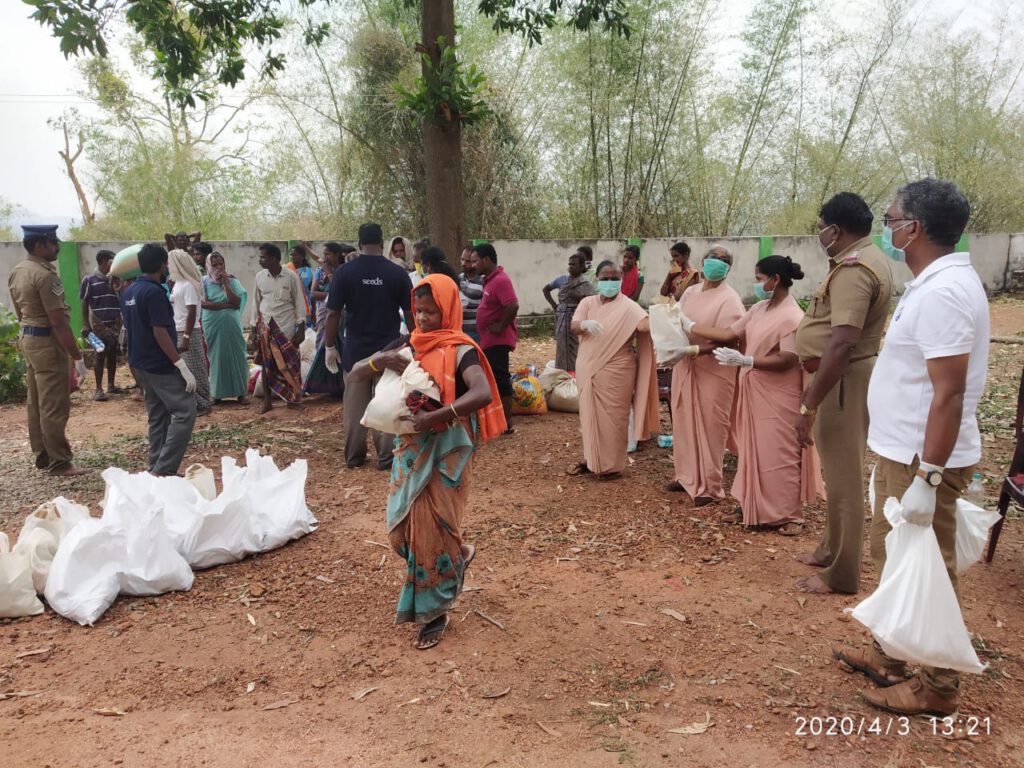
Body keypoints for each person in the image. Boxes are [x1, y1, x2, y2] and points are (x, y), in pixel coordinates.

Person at [833, 178, 987, 716]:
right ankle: (891, 656)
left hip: (924, 460)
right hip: (904, 452)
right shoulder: (930, 283)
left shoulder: (944, 292)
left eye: (891, 217)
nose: (887, 223)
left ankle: (939, 688)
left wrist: (929, 477)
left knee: (929, 568)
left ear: (913, 228)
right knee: (895, 557)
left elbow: (948, 393)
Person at [347, 275, 506, 649]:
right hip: (411, 449)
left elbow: (481, 392)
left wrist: (437, 416)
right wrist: (379, 359)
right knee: (400, 532)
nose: (424, 318)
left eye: (431, 311)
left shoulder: (460, 348)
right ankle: (460, 555)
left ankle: (434, 611)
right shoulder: (409, 344)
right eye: (418, 310)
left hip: (446, 451)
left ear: (448, 309)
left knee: (432, 530)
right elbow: (355, 374)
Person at [793, 192, 894, 595]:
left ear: (835, 230)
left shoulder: (855, 268)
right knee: (837, 476)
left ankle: (843, 573)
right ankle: (830, 549)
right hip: (843, 378)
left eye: (821, 227)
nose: (820, 234)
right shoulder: (863, 259)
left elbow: (842, 342)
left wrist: (810, 402)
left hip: (843, 381)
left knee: (844, 479)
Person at [684, 256, 824, 532]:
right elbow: (730, 333)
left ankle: (789, 514)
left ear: (776, 280)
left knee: (779, 451)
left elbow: (788, 358)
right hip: (754, 389)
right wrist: (689, 328)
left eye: (760, 279)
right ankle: (751, 503)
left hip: (779, 392)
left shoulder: (792, 316)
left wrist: (748, 361)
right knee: (752, 448)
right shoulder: (760, 308)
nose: (757, 285)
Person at [323, 223, 413, 469]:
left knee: (353, 408)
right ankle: (387, 457)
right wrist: (416, 343)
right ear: (382, 243)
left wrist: (329, 347)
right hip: (390, 351)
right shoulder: (397, 274)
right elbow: (410, 311)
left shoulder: (345, 273)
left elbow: (333, 314)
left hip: (355, 352)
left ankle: (354, 455)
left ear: (360, 242)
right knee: (385, 402)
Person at [7, 225, 88, 476]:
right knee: (53, 403)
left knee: (36, 402)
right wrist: (77, 356)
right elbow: (58, 321)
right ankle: (60, 461)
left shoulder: (19, 271)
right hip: (47, 343)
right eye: (53, 243)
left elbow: (21, 313)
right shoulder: (46, 277)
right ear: (40, 245)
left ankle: (42, 455)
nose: (57, 247)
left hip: (29, 340)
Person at [669, 244, 745, 506]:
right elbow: (676, 320)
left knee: (712, 425)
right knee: (682, 420)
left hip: (714, 370)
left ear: (728, 268)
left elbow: (730, 339)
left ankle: (710, 486)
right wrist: (673, 344)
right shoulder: (690, 291)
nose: (716, 263)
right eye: (712, 258)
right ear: (702, 261)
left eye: (723, 260)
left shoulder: (730, 299)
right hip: (685, 364)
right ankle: (685, 475)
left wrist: (695, 348)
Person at [569, 260, 659, 477]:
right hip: (587, 368)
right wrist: (584, 325)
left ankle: (611, 466)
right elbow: (574, 325)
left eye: (614, 279)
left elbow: (643, 325)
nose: (610, 282)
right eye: (605, 278)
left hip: (618, 369)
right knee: (589, 417)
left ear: (621, 280)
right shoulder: (588, 303)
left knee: (614, 418)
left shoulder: (629, 306)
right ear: (597, 279)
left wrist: (667, 315)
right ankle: (591, 459)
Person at [121, 244, 198, 476]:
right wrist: (180, 364)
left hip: (140, 363)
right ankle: (163, 470)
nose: (167, 268)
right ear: (161, 265)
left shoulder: (129, 292)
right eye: (166, 264)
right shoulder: (154, 292)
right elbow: (160, 332)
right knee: (185, 411)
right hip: (158, 364)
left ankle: (155, 466)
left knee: (158, 415)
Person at [251, 242, 306, 414]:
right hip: (266, 326)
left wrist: (301, 328)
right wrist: (253, 329)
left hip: (287, 327)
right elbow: (256, 303)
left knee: (291, 364)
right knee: (267, 365)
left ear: (274, 258)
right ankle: (267, 401)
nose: (260, 260)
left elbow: (299, 302)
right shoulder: (260, 277)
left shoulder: (291, 276)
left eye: (263, 257)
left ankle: (294, 398)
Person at [472, 243, 519, 433]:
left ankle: (507, 422)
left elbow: (513, 305)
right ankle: (496, 418)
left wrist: (500, 326)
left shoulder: (500, 280)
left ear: (486, 259)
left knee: (500, 378)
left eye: (476, 261)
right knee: (493, 379)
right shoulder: (490, 280)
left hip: (498, 341)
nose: (473, 264)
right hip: (488, 340)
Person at [303, 242, 353, 397]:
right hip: (325, 312)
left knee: (342, 345)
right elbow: (313, 294)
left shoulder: (344, 271)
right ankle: (323, 384)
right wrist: (335, 294)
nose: (325, 257)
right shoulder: (320, 271)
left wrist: (335, 291)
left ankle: (342, 385)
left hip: (342, 314)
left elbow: (344, 294)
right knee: (323, 344)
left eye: (328, 254)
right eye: (324, 254)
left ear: (337, 255)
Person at [168, 248, 213, 416]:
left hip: (189, 331)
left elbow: (192, 311)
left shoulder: (188, 285)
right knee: (184, 369)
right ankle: (193, 402)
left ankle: (203, 403)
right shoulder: (178, 283)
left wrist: (186, 336)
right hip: (179, 329)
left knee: (196, 368)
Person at [201, 251, 250, 404]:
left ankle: (241, 393)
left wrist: (226, 286)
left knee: (238, 354)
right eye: (214, 264)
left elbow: (236, 302)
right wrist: (224, 305)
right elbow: (203, 303)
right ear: (208, 266)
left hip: (231, 324)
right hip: (212, 324)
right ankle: (217, 394)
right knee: (216, 356)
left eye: (220, 264)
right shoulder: (202, 282)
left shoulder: (233, 281)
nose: (218, 267)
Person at [79, 249, 126, 401]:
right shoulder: (89, 280)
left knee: (113, 353)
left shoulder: (116, 279)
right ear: (104, 262)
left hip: (115, 321)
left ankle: (111, 385)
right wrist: (86, 324)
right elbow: (84, 303)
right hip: (99, 322)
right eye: (112, 261)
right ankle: (98, 389)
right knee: (99, 354)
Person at [543, 251, 594, 372]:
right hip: (561, 319)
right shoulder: (562, 280)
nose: (570, 267)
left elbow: (590, 301)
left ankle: (576, 374)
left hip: (576, 319)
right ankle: (562, 373)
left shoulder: (585, 283)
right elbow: (546, 289)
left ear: (582, 267)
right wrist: (555, 306)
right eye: (569, 264)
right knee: (562, 346)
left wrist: (576, 296)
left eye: (574, 264)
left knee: (576, 347)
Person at [458, 244, 484, 342]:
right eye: (462, 259)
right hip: (460, 332)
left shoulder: (483, 280)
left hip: (476, 334)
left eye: (467, 261)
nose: (463, 263)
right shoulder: (459, 278)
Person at [288, 244, 316, 327]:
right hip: (290, 306)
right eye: (291, 255)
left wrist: (314, 310)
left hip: (306, 305)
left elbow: (312, 292)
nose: (292, 257)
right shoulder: (286, 270)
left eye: (295, 255)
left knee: (305, 332)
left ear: (302, 257)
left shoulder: (309, 272)